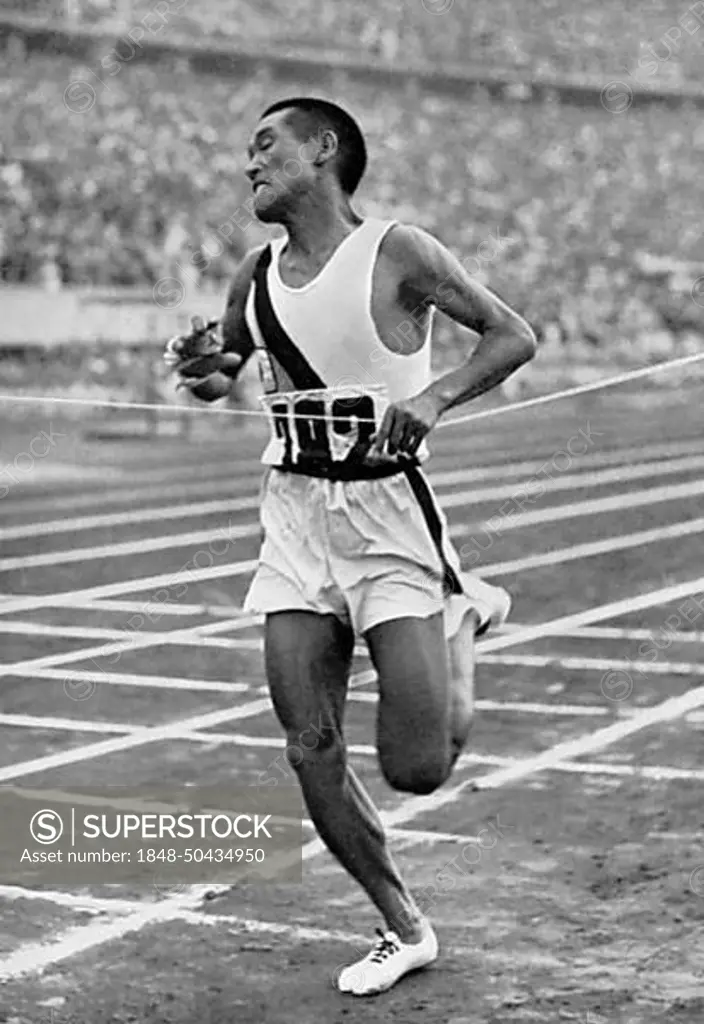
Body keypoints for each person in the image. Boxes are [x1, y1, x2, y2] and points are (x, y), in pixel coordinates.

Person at [164, 96, 536, 996]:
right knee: (309, 745)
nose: (249, 164)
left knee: (417, 767)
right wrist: (199, 366)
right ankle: (403, 924)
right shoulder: (254, 274)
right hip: (294, 519)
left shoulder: (398, 251)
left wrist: (435, 398)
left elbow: (513, 335)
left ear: (323, 151)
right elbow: (228, 375)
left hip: (386, 519)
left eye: (266, 146)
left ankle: (462, 613)